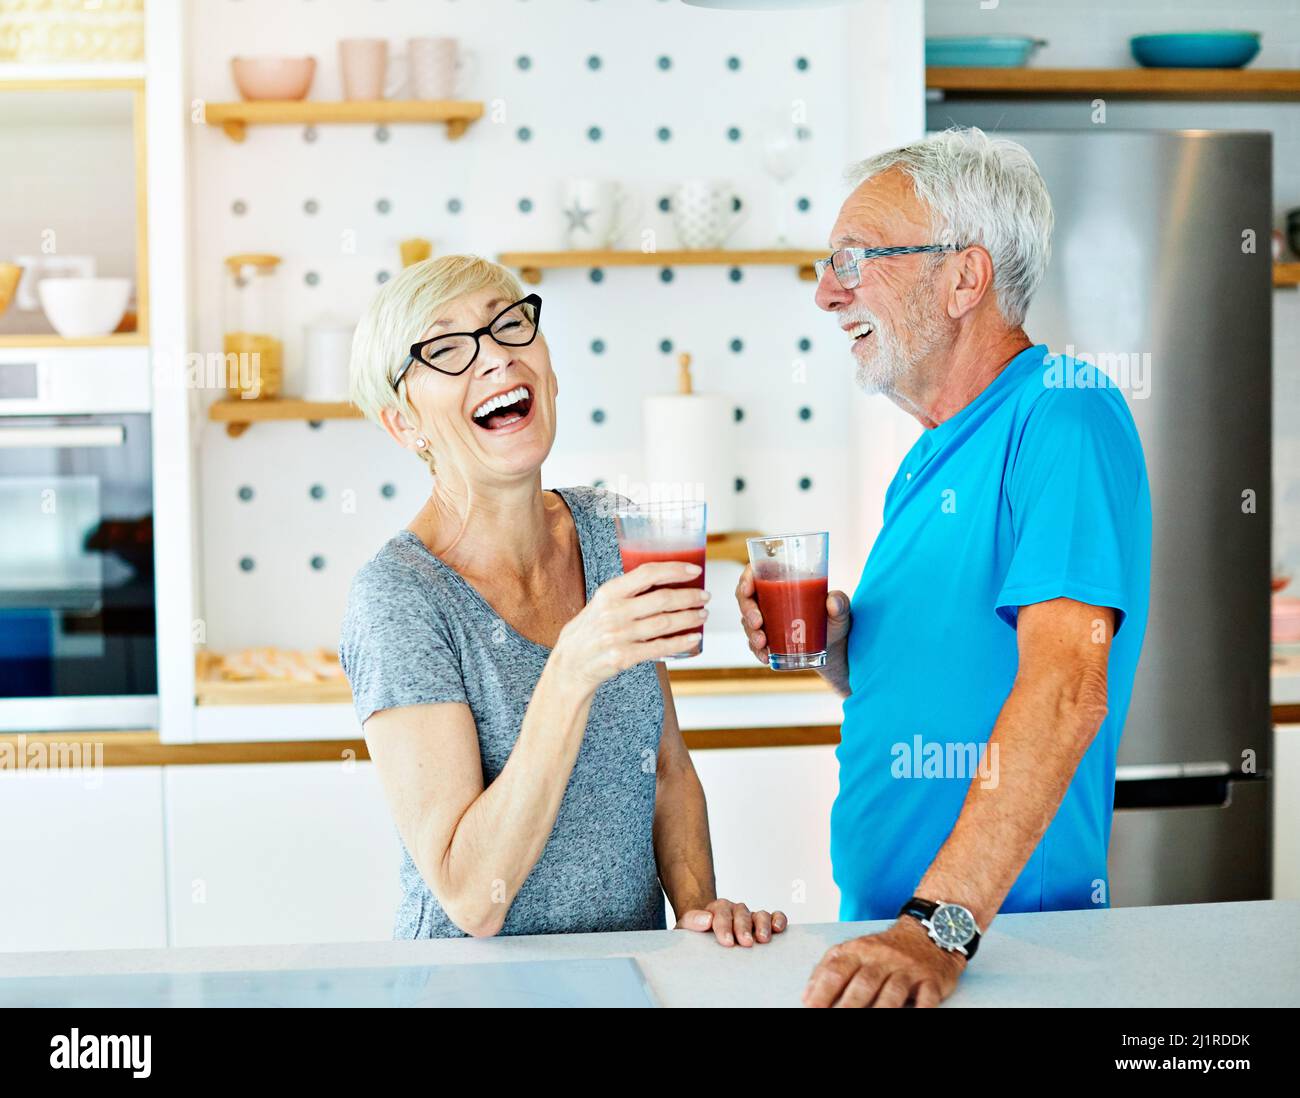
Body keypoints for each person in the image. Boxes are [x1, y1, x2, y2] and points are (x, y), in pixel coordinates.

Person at [736, 127, 1152, 1006]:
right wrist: (839, 646)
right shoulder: (928, 460)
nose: (824, 293)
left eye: (854, 261)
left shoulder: (1063, 415)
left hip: (996, 944)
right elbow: (943, 675)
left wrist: (941, 929)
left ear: (965, 278)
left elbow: (1066, 689)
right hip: (896, 938)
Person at [342, 254, 785, 946]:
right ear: (403, 423)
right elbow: (469, 897)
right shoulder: (400, 596)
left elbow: (665, 769)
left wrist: (699, 907)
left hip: (626, 980)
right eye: (448, 347)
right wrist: (571, 670)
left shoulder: (615, 531)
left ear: (548, 370)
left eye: (509, 326)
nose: (496, 361)